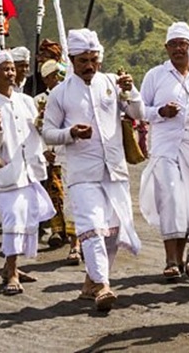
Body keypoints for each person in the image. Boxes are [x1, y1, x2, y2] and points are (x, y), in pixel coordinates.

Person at [42, 28, 145, 312]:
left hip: (115, 171)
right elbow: (48, 133)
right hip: (82, 174)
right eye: (82, 60)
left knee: (111, 231)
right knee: (91, 228)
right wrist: (71, 133)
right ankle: (103, 286)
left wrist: (131, 90)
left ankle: (91, 282)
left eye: (93, 60)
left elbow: (139, 113)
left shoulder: (112, 83)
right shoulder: (60, 94)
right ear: (71, 60)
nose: (89, 66)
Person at [0, 50, 55, 295]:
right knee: (12, 220)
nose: (12, 73)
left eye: (13, 68)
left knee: (27, 219)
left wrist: (46, 142)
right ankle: (11, 272)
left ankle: (11, 266)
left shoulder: (25, 101)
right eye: (6, 69)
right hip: (8, 173)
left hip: (30, 170)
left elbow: (38, 130)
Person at [139, 21, 189, 280]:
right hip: (164, 147)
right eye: (173, 44)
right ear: (166, 48)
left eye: (183, 44)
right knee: (171, 199)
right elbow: (138, 110)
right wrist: (160, 112)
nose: (178, 49)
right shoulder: (156, 75)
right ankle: (171, 260)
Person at [34, 58, 79, 264]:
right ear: (46, 79)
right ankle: (58, 232)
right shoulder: (38, 101)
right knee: (55, 195)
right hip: (51, 156)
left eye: (60, 75)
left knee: (73, 198)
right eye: (54, 76)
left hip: (73, 154)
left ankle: (78, 242)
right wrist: (44, 151)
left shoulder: (72, 96)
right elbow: (37, 131)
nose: (58, 79)